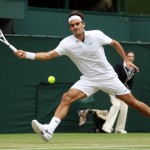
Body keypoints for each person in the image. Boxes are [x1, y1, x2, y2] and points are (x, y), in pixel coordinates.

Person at [15, 10, 150, 142]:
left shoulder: (96, 34)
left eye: (77, 24)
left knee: (133, 102)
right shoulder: (67, 43)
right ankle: (49, 130)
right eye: (72, 25)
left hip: (108, 77)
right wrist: (27, 54)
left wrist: (126, 60)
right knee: (66, 97)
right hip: (89, 79)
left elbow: (115, 43)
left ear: (83, 24)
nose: (75, 27)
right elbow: (48, 55)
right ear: (70, 28)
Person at [102, 51, 136, 134]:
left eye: (132, 57)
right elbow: (113, 77)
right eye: (129, 56)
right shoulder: (119, 65)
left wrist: (129, 92)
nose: (131, 58)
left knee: (124, 107)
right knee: (116, 105)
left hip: (123, 90)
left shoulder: (133, 69)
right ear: (126, 57)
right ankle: (106, 127)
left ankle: (119, 129)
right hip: (112, 87)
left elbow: (130, 82)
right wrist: (117, 91)